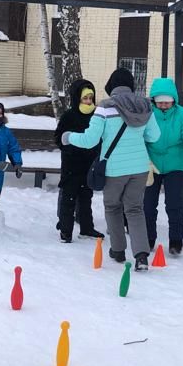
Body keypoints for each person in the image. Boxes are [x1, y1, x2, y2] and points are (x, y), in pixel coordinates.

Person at [62, 68, 160, 271]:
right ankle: (141, 255)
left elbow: (89, 141)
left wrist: (68, 136)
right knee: (135, 209)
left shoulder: (104, 108)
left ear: (111, 86)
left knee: (113, 207)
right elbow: (154, 136)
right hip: (140, 167)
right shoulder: (145, 106)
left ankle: (117, 250)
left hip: (114, 169)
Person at [144, 77, 183, 256]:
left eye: (167, 103)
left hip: (176, 164)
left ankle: (176, 241)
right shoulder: (147, 114)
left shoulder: (182, 114)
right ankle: (148, 238)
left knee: (175, 205)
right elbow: (139, 139)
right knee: (147, 205)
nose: (163, 106)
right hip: (151, 165)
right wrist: (146, 161)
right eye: (160, 103)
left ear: (173, 100)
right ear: (153, 101)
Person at [53, 79, 103, 243]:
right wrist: (71, 149)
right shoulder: (69, 116)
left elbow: (101, 137)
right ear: (77, 99)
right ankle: (66, 231)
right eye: (85, 98)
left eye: (91, 98)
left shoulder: (97, 116)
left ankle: (86, 228)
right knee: (69, 199)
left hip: (90, 165)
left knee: (86, 198)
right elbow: (59, 138)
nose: (89, 102)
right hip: (71, 166)